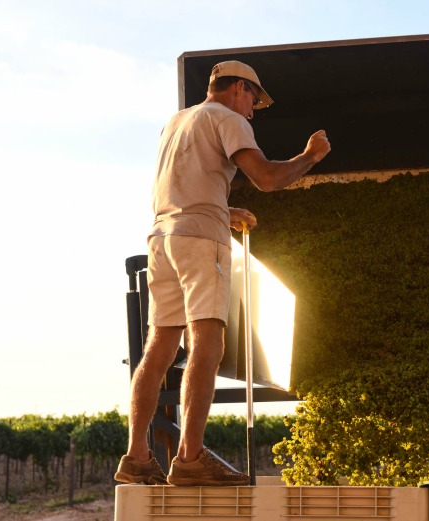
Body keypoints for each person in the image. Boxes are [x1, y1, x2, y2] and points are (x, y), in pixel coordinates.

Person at [114, 60, 331, 486]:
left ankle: (136, 456)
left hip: (162, 237)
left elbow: (180, 187)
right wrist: (310, 156)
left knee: (159, 345)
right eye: (254, 99)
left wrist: (223, 209)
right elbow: (267, 178)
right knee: (208, 341)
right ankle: (191, 458)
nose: (253, 110)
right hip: (199, 241)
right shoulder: (228, 118)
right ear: (237, 88)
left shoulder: (176, 122)